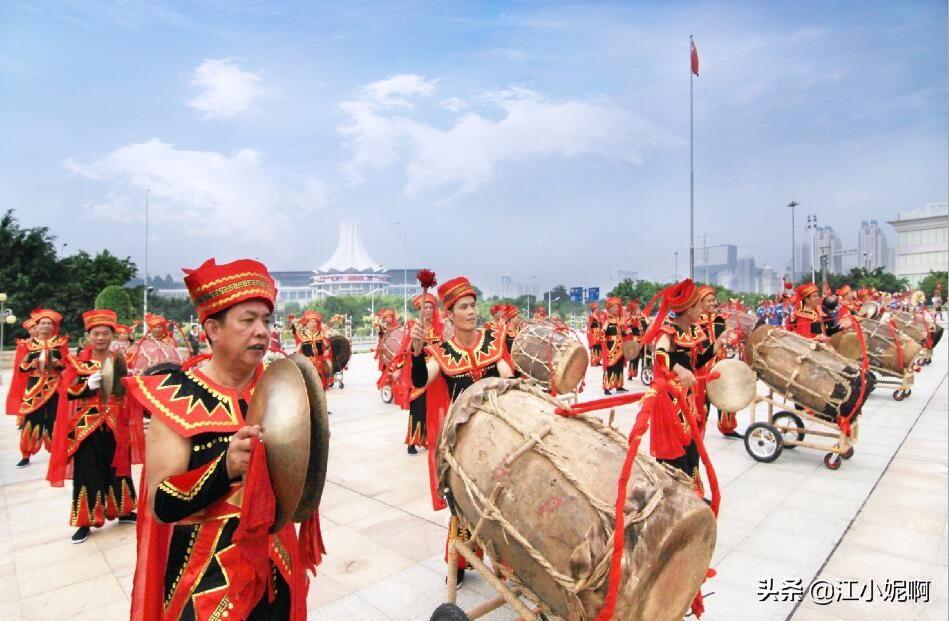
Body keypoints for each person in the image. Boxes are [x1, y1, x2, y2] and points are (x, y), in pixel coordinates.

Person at [124, 258, 315, 621]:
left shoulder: (279, 388)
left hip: (277, 567)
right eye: (248, 320)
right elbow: (159, 503)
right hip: (207, 579)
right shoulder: (176, 396)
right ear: (212, 328)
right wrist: (224, 467)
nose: (262, 331)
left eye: (266, 320)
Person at [410, 276, 514, 586]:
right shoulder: (441, 353)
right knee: (465, 509)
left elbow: (508, 376)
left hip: (498, 439)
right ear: (449, 315)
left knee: (503, 504)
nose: (471, 312)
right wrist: (416, 351)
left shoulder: (493, 343)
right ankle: (459, 562)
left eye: (473, 306)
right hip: (464, 446)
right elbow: (419, 381)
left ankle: (509, 563)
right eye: (464, 307)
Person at [47, 309, 142, 543]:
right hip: (86, 428)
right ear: (88, 336)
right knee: (87, 473)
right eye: (96, 334)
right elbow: (66, 393)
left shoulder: (120, 360)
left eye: (105, 333)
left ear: (113, 335)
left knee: (118, 469)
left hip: (115, 425)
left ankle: (124, 510)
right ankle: (85, 522)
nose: (100, 338)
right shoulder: (78, 363)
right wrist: (87, 385)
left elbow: (129, 391)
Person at [643, 279, 733, 493]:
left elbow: (698, 360)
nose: (702, 309)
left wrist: (718, 343)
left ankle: (693, 494)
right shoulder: (668, 332)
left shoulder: (693, 332)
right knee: (675, 452)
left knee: (692, 449)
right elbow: (660, 354)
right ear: (688, 309)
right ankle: (675, 498)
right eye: (697, 306)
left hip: (689, 399)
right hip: (670, 403)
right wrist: (679, 369)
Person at [8, 308, 69, 468]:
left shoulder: (60, 343)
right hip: (35, 386)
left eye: (49, 323)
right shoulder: (28, 344)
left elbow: (67, 365)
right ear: (38, 325)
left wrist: (58, 364)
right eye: (43, 323)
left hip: (55, 386)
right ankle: (26, 454)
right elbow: (21, 367)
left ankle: (57, 452)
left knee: (54, 420)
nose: (46, 326)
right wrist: (31, 364)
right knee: (31, 420)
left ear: (53, 326)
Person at [295, 310, 333, 389]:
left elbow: (327, 346)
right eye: (312, 322)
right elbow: (298, 349)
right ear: (307, 323)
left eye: (315, 322)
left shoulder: (320, 334)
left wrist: (327, 350)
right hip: (308, 362)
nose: (314, 324)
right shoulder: (302, 335)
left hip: (319, 362)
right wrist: (294, 357)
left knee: (320, 383)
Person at [600, 297, 629, 395]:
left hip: (620, 347)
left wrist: (628, 331)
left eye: (617, 307)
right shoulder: (608, 320)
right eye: (614, 307)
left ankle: (619, 386)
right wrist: (603, 337)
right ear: (610, 309)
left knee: (619, 366)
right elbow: (602, 332)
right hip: (611, 347)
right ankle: (607, 388)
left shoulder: (620, 320)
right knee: (611, 366)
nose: (616, 309)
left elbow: (623, 333)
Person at [626, 299, 648, 380]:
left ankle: (644, 373)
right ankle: (631, 374)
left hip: (644, 340)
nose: (639, 310)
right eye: (637, 308)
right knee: (634, 357)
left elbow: (648, 325)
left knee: (645, 357)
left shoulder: (643, 318)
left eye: (639, 308)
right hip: (635, 340)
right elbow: (628, 326)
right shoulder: (632, 319)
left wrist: (645, 318)